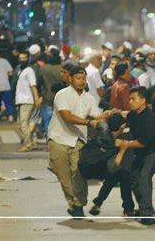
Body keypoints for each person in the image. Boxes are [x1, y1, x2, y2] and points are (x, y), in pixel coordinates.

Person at [48, 66, 108, 218]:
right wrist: (89, 122)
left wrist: (106, 115)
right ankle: (73, 203)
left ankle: (79, 204)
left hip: (78, 140)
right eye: (78, 78)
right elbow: (67, 117)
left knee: (79, 173)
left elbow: (95, 116)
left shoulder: (89, 98)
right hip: (58, 139)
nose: (82, 81)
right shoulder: (62, 95)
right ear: (70, 79)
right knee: (64, 177)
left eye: (84, 78)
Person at [115, 87, 155, 225]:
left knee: (144, 176)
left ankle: (147, 215)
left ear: (143, 100)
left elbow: (142, 142)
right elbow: (126, 116)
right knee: (134, 178)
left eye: (134, 99)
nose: (130, 101)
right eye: (130, 99)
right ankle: (147, 208)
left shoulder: (150, 117)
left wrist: (125, 144)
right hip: (141, 153)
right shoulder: (133, 114)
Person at [87, 113, 136, 217]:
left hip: (111, 168)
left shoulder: (108, 136)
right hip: (124, 167)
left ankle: (98, 203)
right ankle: (128, 209)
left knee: (107, 185)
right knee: (126, 187)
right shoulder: (127, 137)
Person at [15, 51, 42, 152]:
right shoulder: (21, 70)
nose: (22, 60)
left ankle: (28, 144)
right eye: (20, 58)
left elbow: (33, 85)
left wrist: (36, 99)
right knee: (21, 123)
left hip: (27, 100)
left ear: (28, 59)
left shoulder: (29, 71)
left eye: (24, 58)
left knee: (23, 123)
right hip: (20, 100)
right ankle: (33, 141)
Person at [39, 47, 63, 136]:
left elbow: (39, 83)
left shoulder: (43, 69)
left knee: (48, 121)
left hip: (47, 98)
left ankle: (49, 142)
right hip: (61, 98)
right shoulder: (63, 68)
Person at [0, 45, 15, 122]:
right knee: (8, 101)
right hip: (5, 84)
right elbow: (11, 73)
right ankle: (10, 116)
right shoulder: (4, 61)